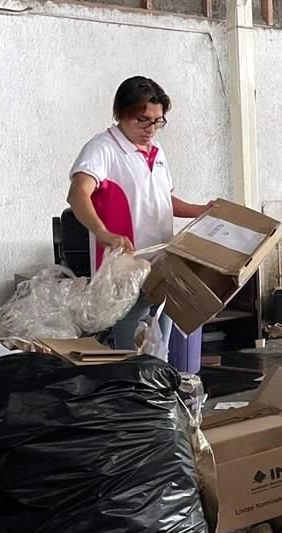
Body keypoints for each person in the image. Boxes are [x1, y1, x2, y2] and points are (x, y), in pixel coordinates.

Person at [67, 76, 212, 349]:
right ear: (121, 113)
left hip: (161, 264)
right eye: (143, 120)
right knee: (129, 350)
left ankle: (159, 390)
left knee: (160, 348)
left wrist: (201, 211)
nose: (151, 129)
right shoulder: (103, 148)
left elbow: (164, 200)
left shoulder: (156, 151)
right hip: (125, 269)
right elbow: (77, 194)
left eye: (157, 121)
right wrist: (103, 232)